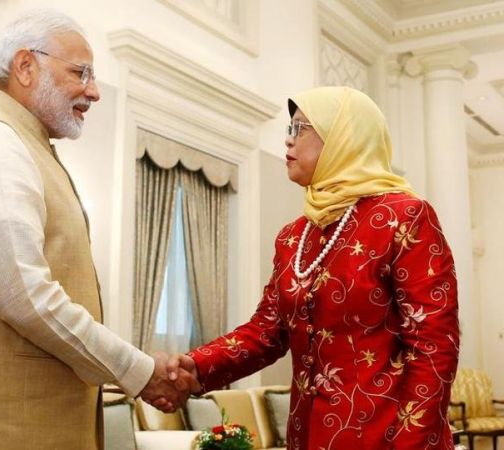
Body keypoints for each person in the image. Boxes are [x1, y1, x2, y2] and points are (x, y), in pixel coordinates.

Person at [0, 9, 196, 450]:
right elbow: (23, 293)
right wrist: (139, 371)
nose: (94, 91)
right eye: (80, 72)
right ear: (25, 67)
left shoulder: (23, 143)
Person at [167, 86, 460, 450]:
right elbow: (266, 332)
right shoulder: (294, 237)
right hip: (307, 435)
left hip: (386, 437)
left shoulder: (405, 216)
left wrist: (412, 442)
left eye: (301, 128)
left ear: (343, 138)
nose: (288, 142)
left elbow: (434, 347)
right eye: (289, 129)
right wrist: (195, 366)